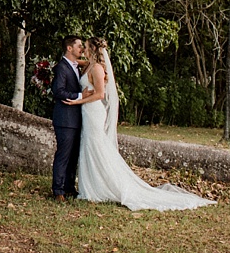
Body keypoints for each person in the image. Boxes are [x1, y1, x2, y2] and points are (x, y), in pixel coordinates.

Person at [65, 37, 215, 211]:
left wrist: (78, 101)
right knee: (89, 145)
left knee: (96, 145)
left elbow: (100, 94)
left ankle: (105, 186)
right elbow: (75, 62)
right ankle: (91, 186)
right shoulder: (89, 64)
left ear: (92, 49)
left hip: (93, 111)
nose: (83, 49)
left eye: (85, 47)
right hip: (87, 112)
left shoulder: (97, 68)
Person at [50, 35, 87, 201]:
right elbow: (58, 91)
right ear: (69, 48)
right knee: (63, 155)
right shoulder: (61, 67)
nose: (82, 49)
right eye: (79, 46)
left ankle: (69, 187)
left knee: (73, 156)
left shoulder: (75, 66)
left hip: (76, 118)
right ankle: (58, 190)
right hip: (65, 119)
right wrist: (80, 95)